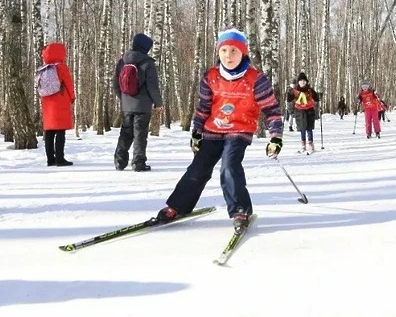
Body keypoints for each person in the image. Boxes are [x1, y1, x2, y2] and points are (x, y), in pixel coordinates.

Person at [154, 28, 283, 231]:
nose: (228, 55)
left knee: (229, 167)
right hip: (212, 130)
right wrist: (197, 131)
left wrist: (275, 137)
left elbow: (271, 110)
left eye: (234, 50)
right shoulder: (211, 76)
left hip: (239, 131)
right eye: (224, 50)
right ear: (218, 52)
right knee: (198, 168)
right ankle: (177, 206)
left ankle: (240, 210)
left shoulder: (256, 79)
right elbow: (203, 107)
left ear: (243, 52)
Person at [112, 33, 164, 171]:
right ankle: (138, 163)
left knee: (125, 133)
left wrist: (123, 99)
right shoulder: (148, 63)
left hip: (126, 106)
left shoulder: (122, 61)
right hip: (143, 106)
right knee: (140, 135)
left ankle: (119, 161)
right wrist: (158, 103)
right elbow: (153, 87)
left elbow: (115, 85)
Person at [40, 42, 76, 166]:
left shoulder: (44, 68)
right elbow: (68, 84)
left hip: (47, 104)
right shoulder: (61, 67)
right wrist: (72, 97)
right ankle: (60, 158)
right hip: (61, 101)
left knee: (49, 131)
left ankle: (50, 159)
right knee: (60, 131)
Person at [288, 72, 320, 153]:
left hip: (309, 110)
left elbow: (316, 98)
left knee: (309, 128)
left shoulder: (310, 90)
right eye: (301, 81)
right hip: (299, 111)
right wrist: (289, 94)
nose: (302, 82)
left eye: (304, 81)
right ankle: (303, 145)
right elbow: (289, 99)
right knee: (302, 129)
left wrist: (318, 96)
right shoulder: (295, 91)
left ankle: (311, 144)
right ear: (298, 82)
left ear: (306, 82)